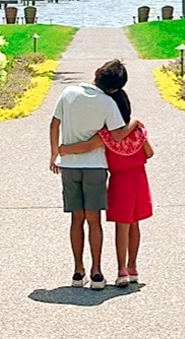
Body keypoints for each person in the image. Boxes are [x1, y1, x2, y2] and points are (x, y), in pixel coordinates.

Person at [49, 60, 141, 290]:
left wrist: (55, 153)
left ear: (97, 73)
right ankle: (97, 272)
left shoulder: (68, 92)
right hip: (95, 167)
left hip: (69, 166)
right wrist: (135, 123)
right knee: (94, 220)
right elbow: (117, 136)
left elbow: (54, 124)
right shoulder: (107, 102)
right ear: (115, 88)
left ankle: (78, 271)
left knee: (76, 219)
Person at [59, 85, 154, 288]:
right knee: (135, 224)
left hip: (120, 182)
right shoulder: (138, 130)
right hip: (139, 180)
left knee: (122, 224)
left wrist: (63, 149)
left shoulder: (106, 135)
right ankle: (133, 267)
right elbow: (149, 153)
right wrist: (136, 124)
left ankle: (121, 271)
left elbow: (85, 147)